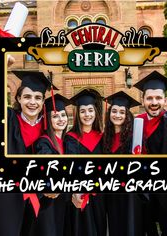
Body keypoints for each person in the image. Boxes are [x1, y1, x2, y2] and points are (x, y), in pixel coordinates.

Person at [0, 70, 57, 236]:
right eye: (27, 97)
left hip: (40, 198)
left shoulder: (49, 128)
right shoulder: (9, 119)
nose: (32, 102)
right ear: (18, 98)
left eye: (38, 97)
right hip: (8, 196)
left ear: (43, 101)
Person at [134, 70, 167, 236]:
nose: (154, 102)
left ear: (165, 101)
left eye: (158, 98)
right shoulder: (137, 123)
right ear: (142, 100)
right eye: (149, 98)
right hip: (145, 189)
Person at [64, 88, 107, 236]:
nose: (87, 114)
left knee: (100, 226)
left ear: (96, 112)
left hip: (100, 194)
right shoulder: (71, 138)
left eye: (90, 110)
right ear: (77, 114)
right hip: (81, 193)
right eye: (82, 111)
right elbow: (71, 167)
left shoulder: (102, 136)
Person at [103, 91, 146, 236]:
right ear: (109, 113)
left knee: (131, 227)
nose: (117, 115)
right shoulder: (105, 138)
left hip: (130, 195)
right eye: (114, 111)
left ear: (127, 115)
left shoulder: (135, 137)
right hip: (112, 194)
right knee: (115, 226)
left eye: (122, 112)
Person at [30, 94, 71, 236]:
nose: (61, 119)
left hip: (63, 203)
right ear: (48, 119)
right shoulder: (44, 142)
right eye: (55, 116)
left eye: (63, 115)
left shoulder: (66, 142)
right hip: (48, 204)